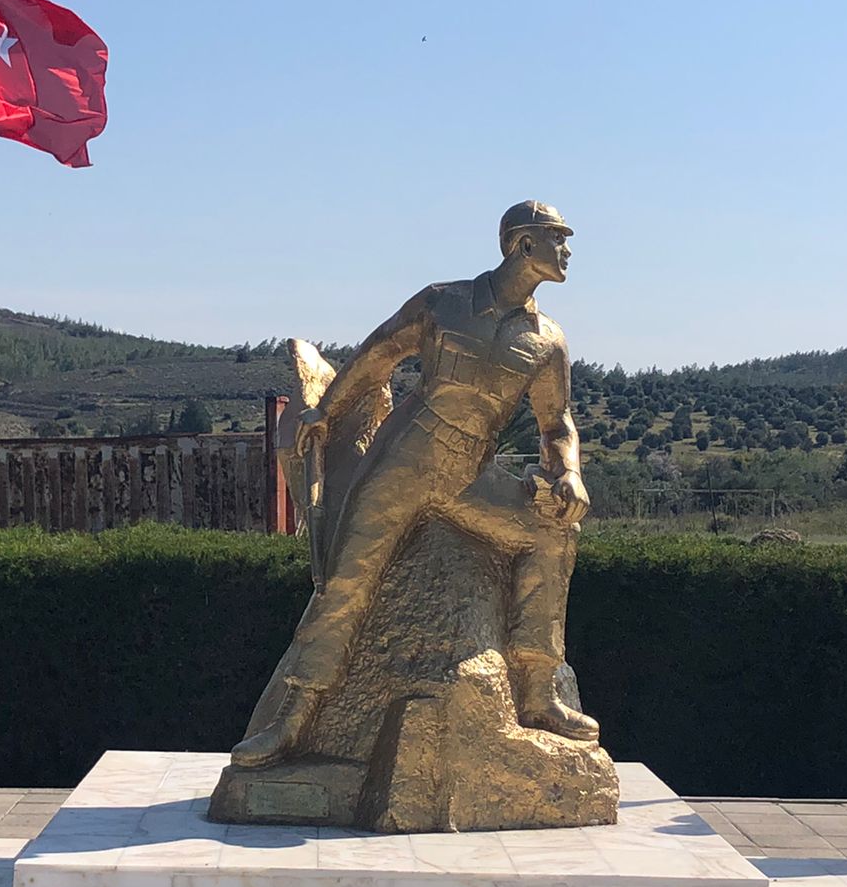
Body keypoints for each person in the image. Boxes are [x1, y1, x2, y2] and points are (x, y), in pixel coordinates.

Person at [232, 200, 596, 768]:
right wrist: (325, 411)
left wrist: (568, 470)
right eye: (559, 238)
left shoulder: (548, 341)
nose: (568, 250)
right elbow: (377, 356)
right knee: (346, 580)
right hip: (404, 459)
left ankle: (537, 692)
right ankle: (293, 721)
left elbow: (557, 423)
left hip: (471, 474)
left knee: (553, 534)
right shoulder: (442, 302)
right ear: (524, 244)